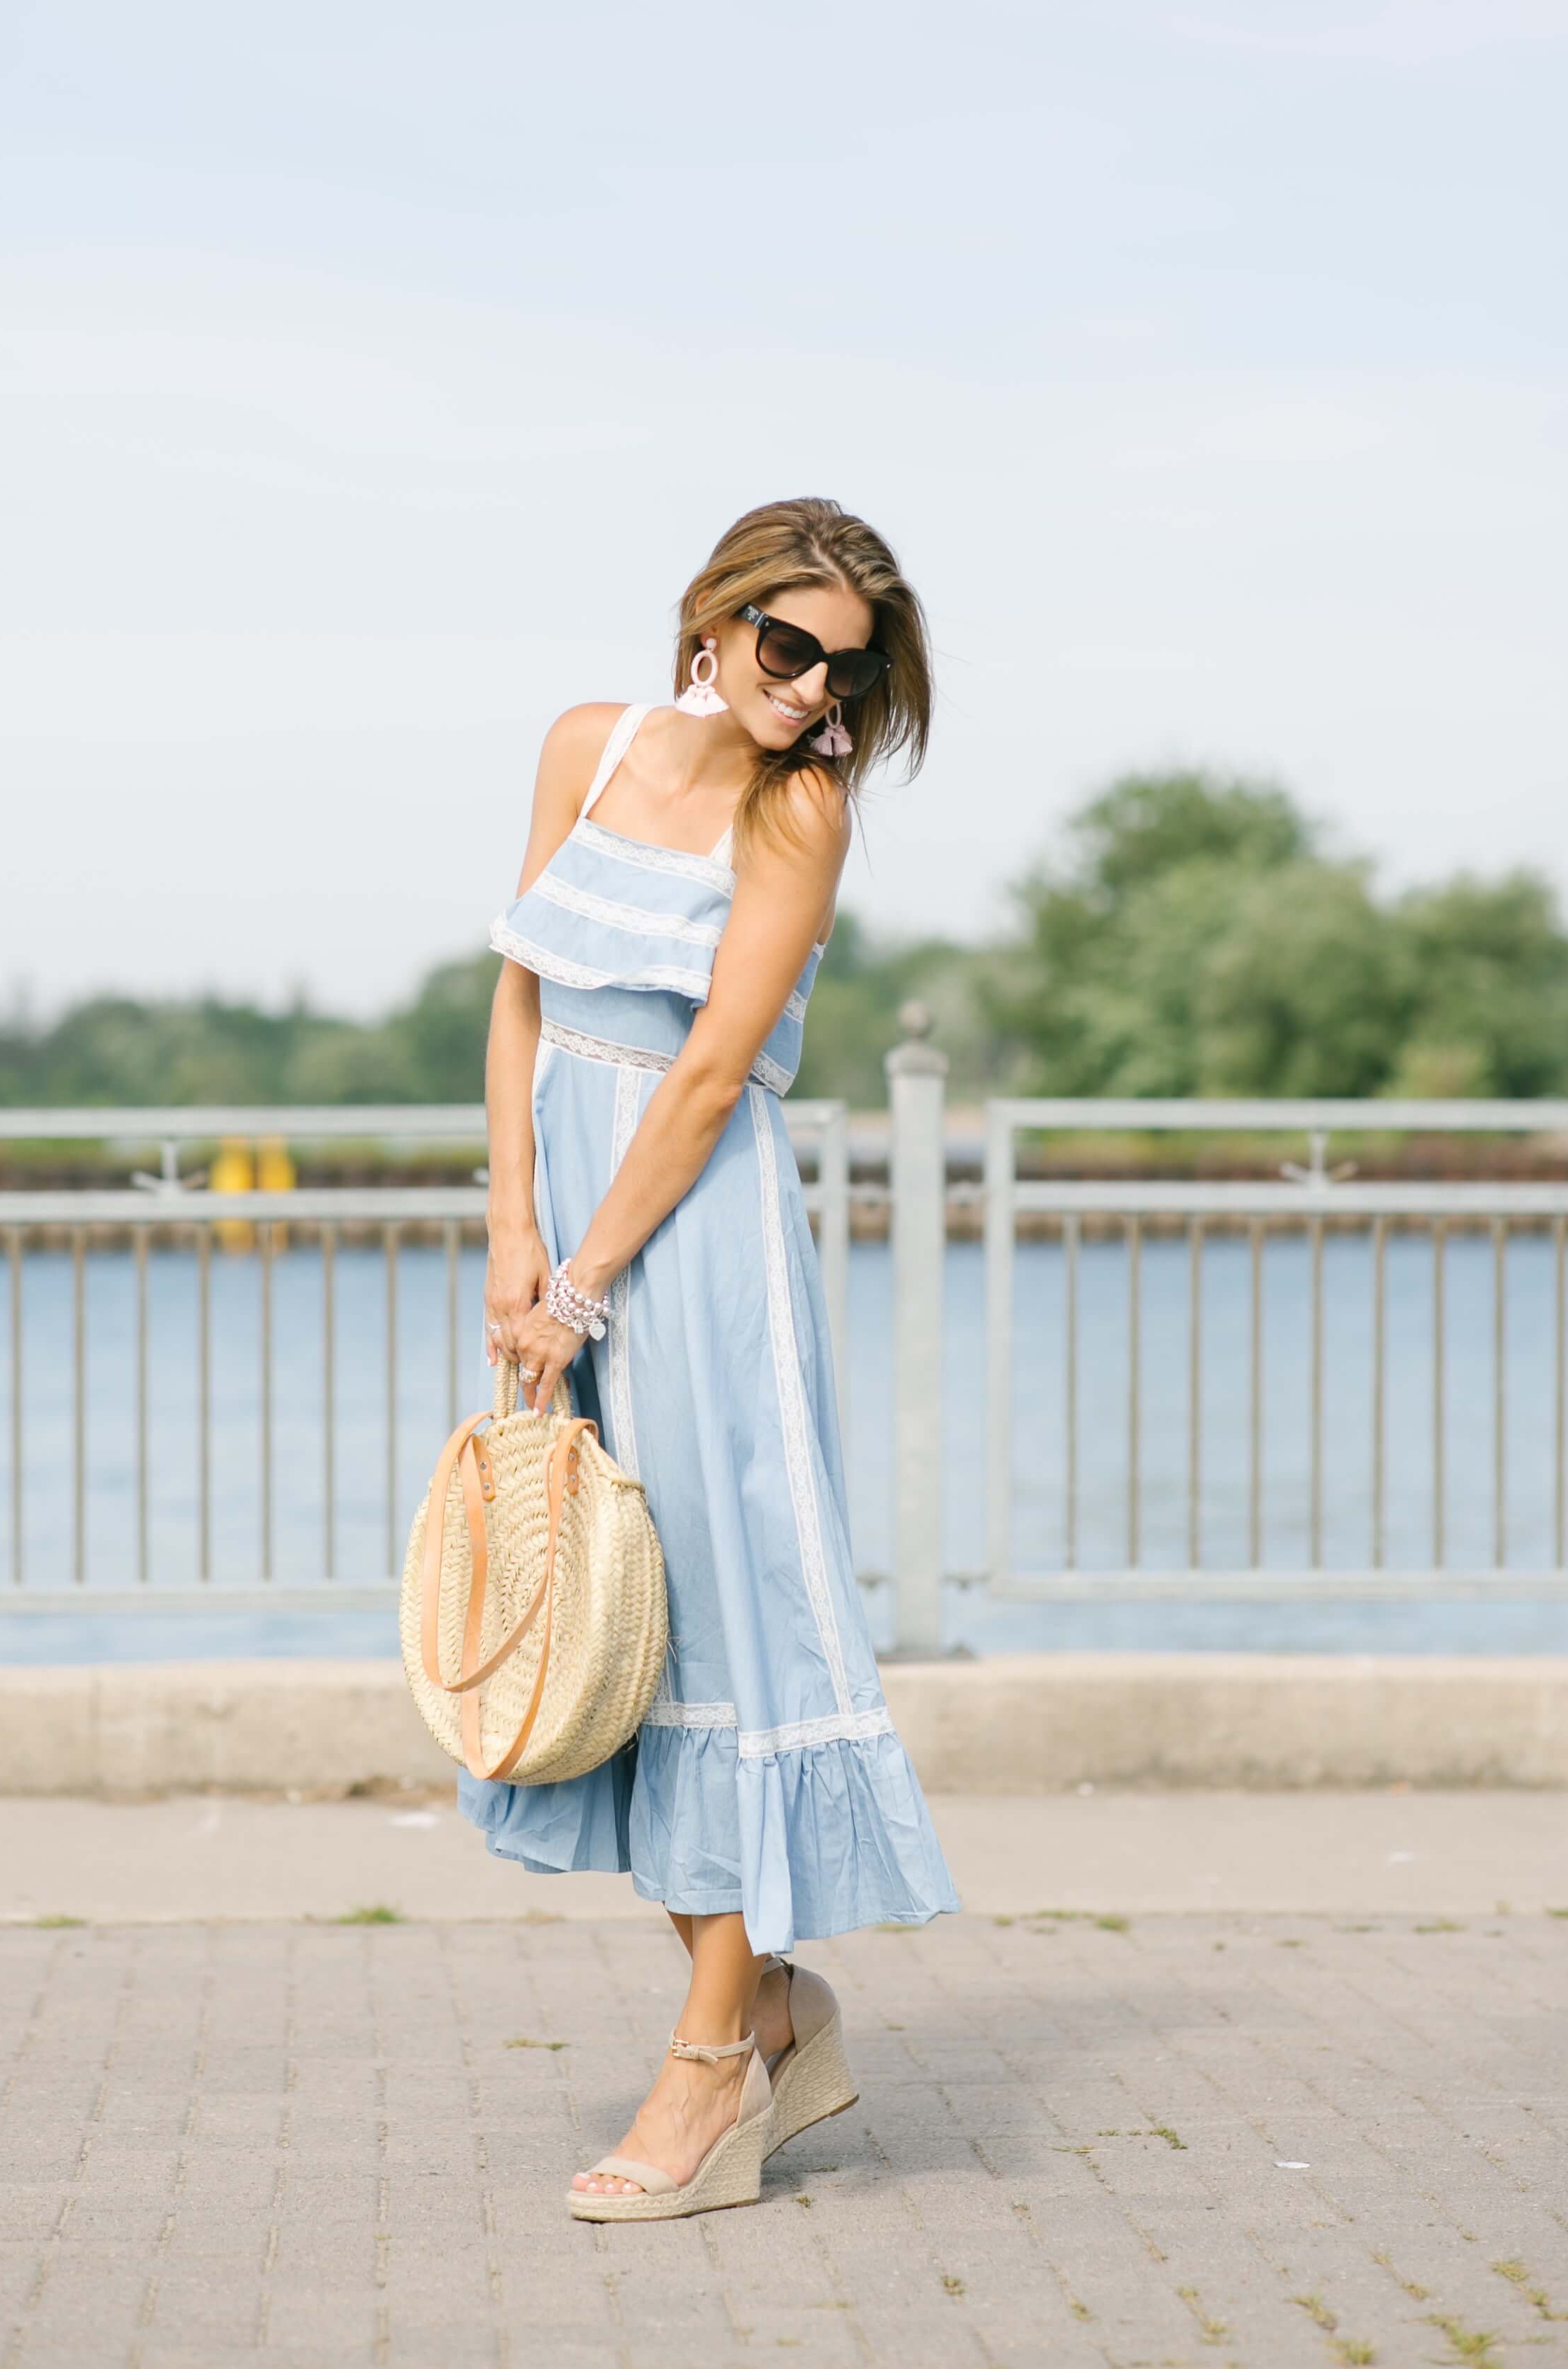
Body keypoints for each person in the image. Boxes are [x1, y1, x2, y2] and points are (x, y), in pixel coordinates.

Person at [474, 496, 959, 2222]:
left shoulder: (799, 809)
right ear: (717, 615)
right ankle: (768, 2010)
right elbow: (521, 991)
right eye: (789, 645)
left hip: (693, 1245)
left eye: (849, 671)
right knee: (604, 1625)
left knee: (722, 1630)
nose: (814, 687)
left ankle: (707, 2071)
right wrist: (511, 1229)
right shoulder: (587, 745)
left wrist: (585, 1281)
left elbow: (702, 1078)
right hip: (568, 1229)